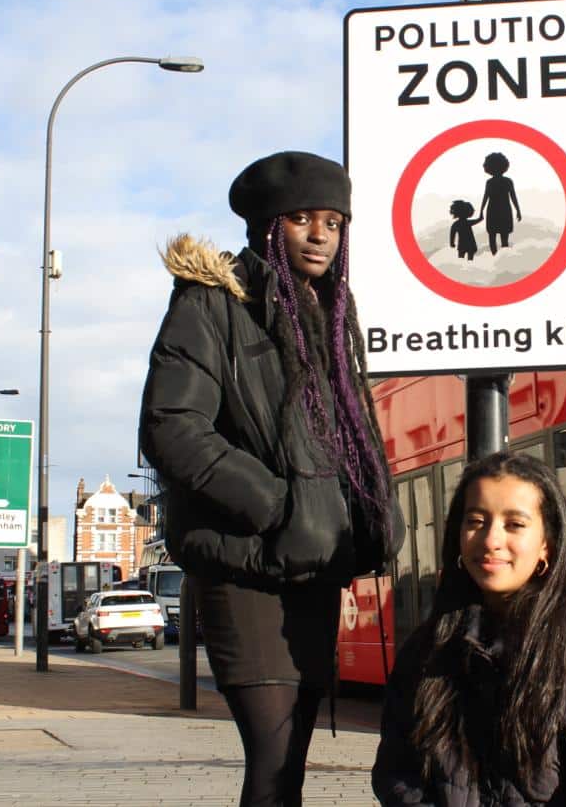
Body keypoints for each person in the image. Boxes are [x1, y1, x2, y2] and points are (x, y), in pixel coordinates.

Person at [139, 151, 401, 807]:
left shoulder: (330, 317)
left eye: (335, 222)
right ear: (266, 227)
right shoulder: (211, 306)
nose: (321, 235)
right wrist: (279, 505)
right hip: (245, 567)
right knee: (275, 761)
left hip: (311, 569)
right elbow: (171, 426)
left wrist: (361, 509)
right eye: (303, 220)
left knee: (289, 766)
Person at [372, 452, 566, 806]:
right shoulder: (427, 650)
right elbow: (399, 773)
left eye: (514, 524)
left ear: (547, 545)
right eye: (476, 521)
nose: (491, 539)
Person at [479, 151, 520, 255]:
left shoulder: (490, 182)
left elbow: (485, 197)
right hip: (504, 210)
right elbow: (513, 197)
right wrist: (518, 211)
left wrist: (481, 211)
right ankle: (502, 257)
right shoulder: (508, 181)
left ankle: (496, 256)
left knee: (493, 236)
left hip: (493, 211)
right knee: (503, 237)